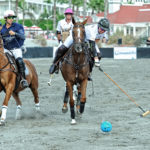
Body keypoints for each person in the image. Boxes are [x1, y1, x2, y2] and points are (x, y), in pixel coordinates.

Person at [1, 10, 28, 88]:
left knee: (19, 61)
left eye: (12, 17)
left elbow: (23, 37)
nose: (11, 19)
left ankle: (23, 79)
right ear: (5, 18)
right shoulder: (2, 28)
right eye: (9, 17)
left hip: (16, 49)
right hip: (6, 49)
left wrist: (15, 33)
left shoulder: (18, 26)